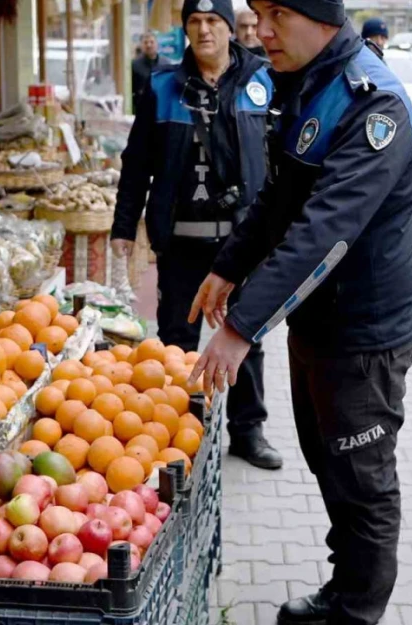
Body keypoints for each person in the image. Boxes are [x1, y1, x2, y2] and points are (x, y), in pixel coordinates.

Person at [189, 1, 412, 623]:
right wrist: (228, 265)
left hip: (365, 337)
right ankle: (341, 587)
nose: (259, 32)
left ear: (320, 17)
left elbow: (324, 233)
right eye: (257, 13)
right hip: (317, 326)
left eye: (276, 15)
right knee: (328, 464)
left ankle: (356, 612)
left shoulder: (376, 106)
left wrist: (241, 328)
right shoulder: (306, 81)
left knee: (364, 484)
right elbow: (278, 197)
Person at [113, 0, 281, 470]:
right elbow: (136, 163)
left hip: (243, 242)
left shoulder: (262, 80)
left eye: (213, 21)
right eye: (194, 21)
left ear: (229, 28)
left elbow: (283, 161)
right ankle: (179, 433)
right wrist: (124, 227)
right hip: (182, 243)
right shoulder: (163, 85)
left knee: (246, 335)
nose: (204, 30)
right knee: (175, 342)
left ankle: (248, 432)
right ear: (185, 29)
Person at [131, 32, 166, 107]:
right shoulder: (134, 65)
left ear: (157, 44)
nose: (149, 45)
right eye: (145, 42)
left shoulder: (165, 64)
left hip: (161, 107)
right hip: (141, 108)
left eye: (152, 42)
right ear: (141, 45)